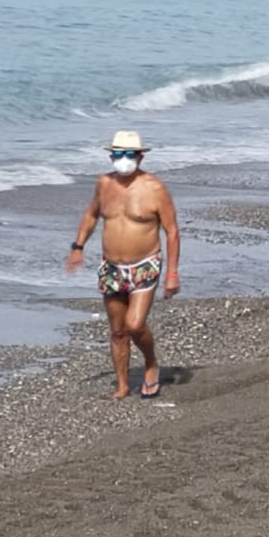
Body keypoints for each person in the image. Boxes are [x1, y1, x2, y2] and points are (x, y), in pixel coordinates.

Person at [65, 130, 182, 400]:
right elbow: (91, 214)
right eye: (118, 154)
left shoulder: (154, 188)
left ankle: (151, 363)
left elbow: (172, 231)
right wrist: (77, 247)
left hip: (145, 264)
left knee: (134, 324)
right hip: (111, 267)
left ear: (140, 157)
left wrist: (172, 274)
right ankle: (121, 386)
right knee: (118, 330)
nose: (124, 160)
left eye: (129, 154)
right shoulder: (104, 184)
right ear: (111, 156)